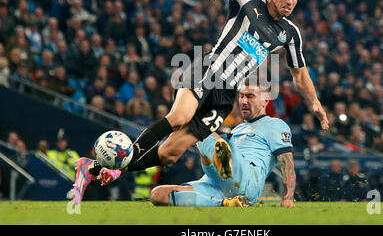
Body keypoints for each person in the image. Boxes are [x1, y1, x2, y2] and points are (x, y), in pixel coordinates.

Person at [71, 0, 328, 204]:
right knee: (179, 117)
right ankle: (117, 161)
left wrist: (315, 102)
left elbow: (299, 72)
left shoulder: (290, 34)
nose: (291, 1)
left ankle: (93, 168)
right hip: (207, 70)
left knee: (170, 154)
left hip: (225, 96)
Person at [74, 81, 297, 207]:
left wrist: (288, 197)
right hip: (217, 184)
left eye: (250, 96)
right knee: (158, 196)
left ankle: (123, 162)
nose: (243, 101)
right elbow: (174, 148)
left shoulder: (275, 125)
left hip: (249, 179)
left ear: (266, 100)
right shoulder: (238, 129)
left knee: (202, 129)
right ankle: (228, 203)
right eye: (241, 96)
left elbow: (287, 162)